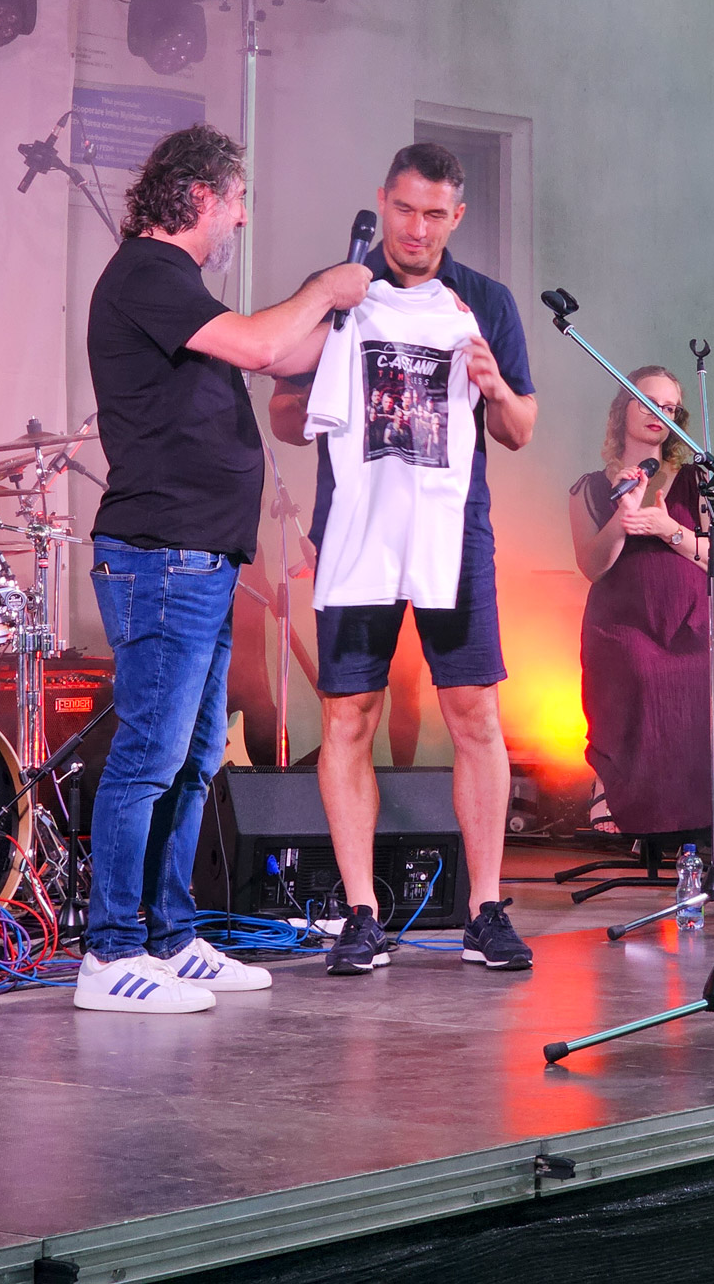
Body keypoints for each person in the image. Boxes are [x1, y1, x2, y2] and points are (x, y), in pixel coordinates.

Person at [75, 125, 370, 1014]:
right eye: (238, 199)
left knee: (196, 756)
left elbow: (286, 350)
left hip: (198, 559)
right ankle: (109, 951)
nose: (243, 216)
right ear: (201, 194)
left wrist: (354, 314)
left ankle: (171, 935)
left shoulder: (180, 288)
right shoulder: (146, 273)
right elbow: (260, 346)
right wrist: (322, 287)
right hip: (161, 554)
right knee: (150, 755)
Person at [269, 141, 537, 975]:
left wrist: (494, 387)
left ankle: (486, 908)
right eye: (404, 209)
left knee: (475, 713)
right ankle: (361, 912)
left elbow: (521, 429)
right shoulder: (340, 288)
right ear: (381, 201)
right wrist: (327, 352)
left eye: (434, 214)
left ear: (458, 216)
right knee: (349, 713)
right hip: (357, 525)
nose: (417, 228)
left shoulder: (483, 301)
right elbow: (284, 416)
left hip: (455, 528)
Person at [569, 367, 714, 848]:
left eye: (669, 408)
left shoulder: (696, 480)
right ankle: (629, 804)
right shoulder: (589, 487)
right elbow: (592, 567)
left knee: (711, 677)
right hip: (623, 625)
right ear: (622, 409)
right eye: (648, 402)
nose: (659, 414)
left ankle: (700, 830)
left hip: (690, 622)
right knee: (640, 671)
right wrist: (624, 519)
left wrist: (669, 529)